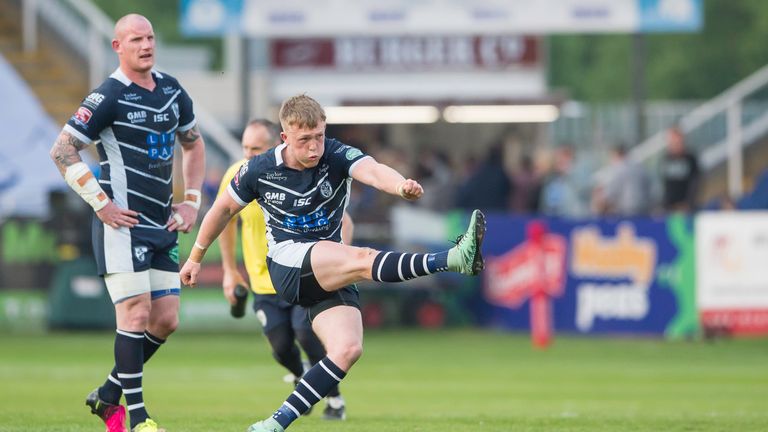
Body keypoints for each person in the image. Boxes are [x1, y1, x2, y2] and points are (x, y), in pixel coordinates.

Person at [180, 94, 485, 432]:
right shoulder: (258, 169)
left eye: (319, 137)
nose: (314, 147)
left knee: (347, 349)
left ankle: (274, 424)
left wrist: (399, 185)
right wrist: (195, 257)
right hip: (289, 263)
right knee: (361, 258)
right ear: (285, 138)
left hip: (325, 269)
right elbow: (222, 210)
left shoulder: (336, 154)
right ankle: (454, 258)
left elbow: (371, 170)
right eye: (304, 140)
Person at [49, 14, 205, 432]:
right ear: (117, 46)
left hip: (163, 223)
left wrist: (191, 202)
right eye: (136, 39)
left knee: (166, 319)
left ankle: (106, 393)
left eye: (150, 36)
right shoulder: (107, 97)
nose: (146, 44)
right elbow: (63, 150)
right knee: (135, 315)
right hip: (122, 225)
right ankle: (136, 418)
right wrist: (101, 204)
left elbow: (193, 144)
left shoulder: (172, 90)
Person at [218, 118, 352, 420]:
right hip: (263, 281)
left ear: (278, 145)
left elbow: (346, 221)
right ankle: (305, 378)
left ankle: (334, 399)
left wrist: (338, 262)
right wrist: (229, 269)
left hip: (301, 275)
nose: (249, 156)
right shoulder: (240, 175)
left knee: (306, 335)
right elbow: (223, 220)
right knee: (280, 347)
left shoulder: (301, 173)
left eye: (256, 149)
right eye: (245, 148)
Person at [662, 127, 699, 212]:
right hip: (669, 207)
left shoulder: (690, 159)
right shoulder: (666, 159)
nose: (674, 143)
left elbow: (695, 182)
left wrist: (688, 202)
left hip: (686, 207)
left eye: (677, 140)